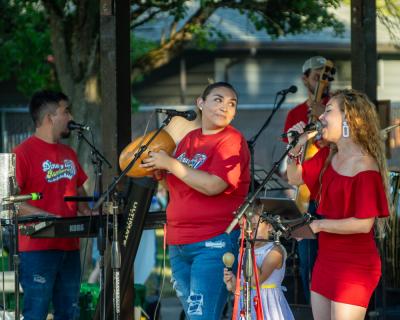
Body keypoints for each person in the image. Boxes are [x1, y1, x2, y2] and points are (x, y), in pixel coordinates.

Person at [140, 82, 250, 320]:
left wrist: (170, 164)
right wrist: (160, 173)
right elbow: (177, 186)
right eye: (218, 100)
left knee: (202, 316)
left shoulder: (232, 140)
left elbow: (213, 185)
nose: (225, 107)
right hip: (179, 242)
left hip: (213, 242)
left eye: (232, 104)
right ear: (200, 103)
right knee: (194, 315)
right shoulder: (190, 139)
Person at [286, 89, 390, 320]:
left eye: (329, 111)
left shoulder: (365, 165)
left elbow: (363, 224)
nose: (321, 117)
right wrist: (297, 146)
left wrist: (318, 226)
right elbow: (294, 177)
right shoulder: (327, 157)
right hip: (326, 261)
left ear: (350, 119)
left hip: (355, 266)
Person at [14, 90, 91, 320]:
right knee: (36, 313)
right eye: (65, 111)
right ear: (49, 117)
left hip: (70, 247)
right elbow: (10, 201)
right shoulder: (22, 153)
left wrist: (89, 210)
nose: (70, 117)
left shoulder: (69, 152)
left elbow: (79, 191)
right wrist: (45, 215)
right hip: (37, 249)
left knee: (69, 312)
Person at [282, 56, 331, 303]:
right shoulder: (295, 113)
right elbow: (291, 159)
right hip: (305, 197)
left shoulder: (339, 108)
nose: (323, 81)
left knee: (334, 262)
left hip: (334, 197)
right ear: (305, 79)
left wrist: (325, 114)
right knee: (308, 263)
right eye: (317, 76)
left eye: (326, 76)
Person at [223, 209, 295, 320]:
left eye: (254, 227)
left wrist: (248, 248)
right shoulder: (242, 252)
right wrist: (233, 284)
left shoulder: (275, 251)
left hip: (266, 306)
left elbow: (254, 281)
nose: (248, 232)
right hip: (247, 305)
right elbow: (245, 285)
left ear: (269, 227)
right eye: (243, 228)